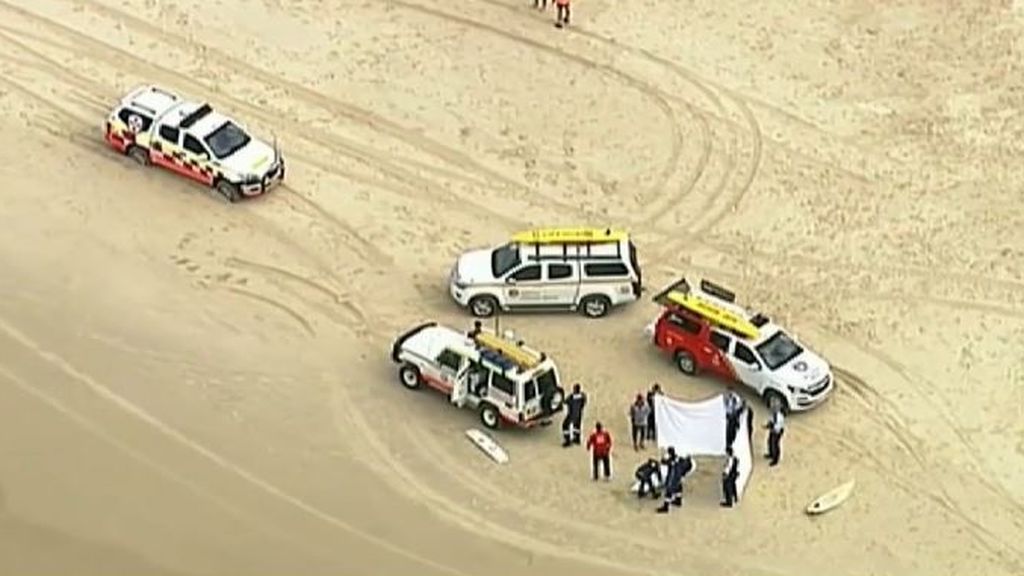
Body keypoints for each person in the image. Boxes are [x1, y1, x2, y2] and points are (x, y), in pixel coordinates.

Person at [656, 447, 683, 513]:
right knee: (678, 486)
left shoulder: (672, 460)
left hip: (673, 475)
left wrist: (663, 458)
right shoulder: (677, 457)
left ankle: (666, 507)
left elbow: (664, 462)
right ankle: (678, 500)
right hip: (679, 474)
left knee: (669, 490)